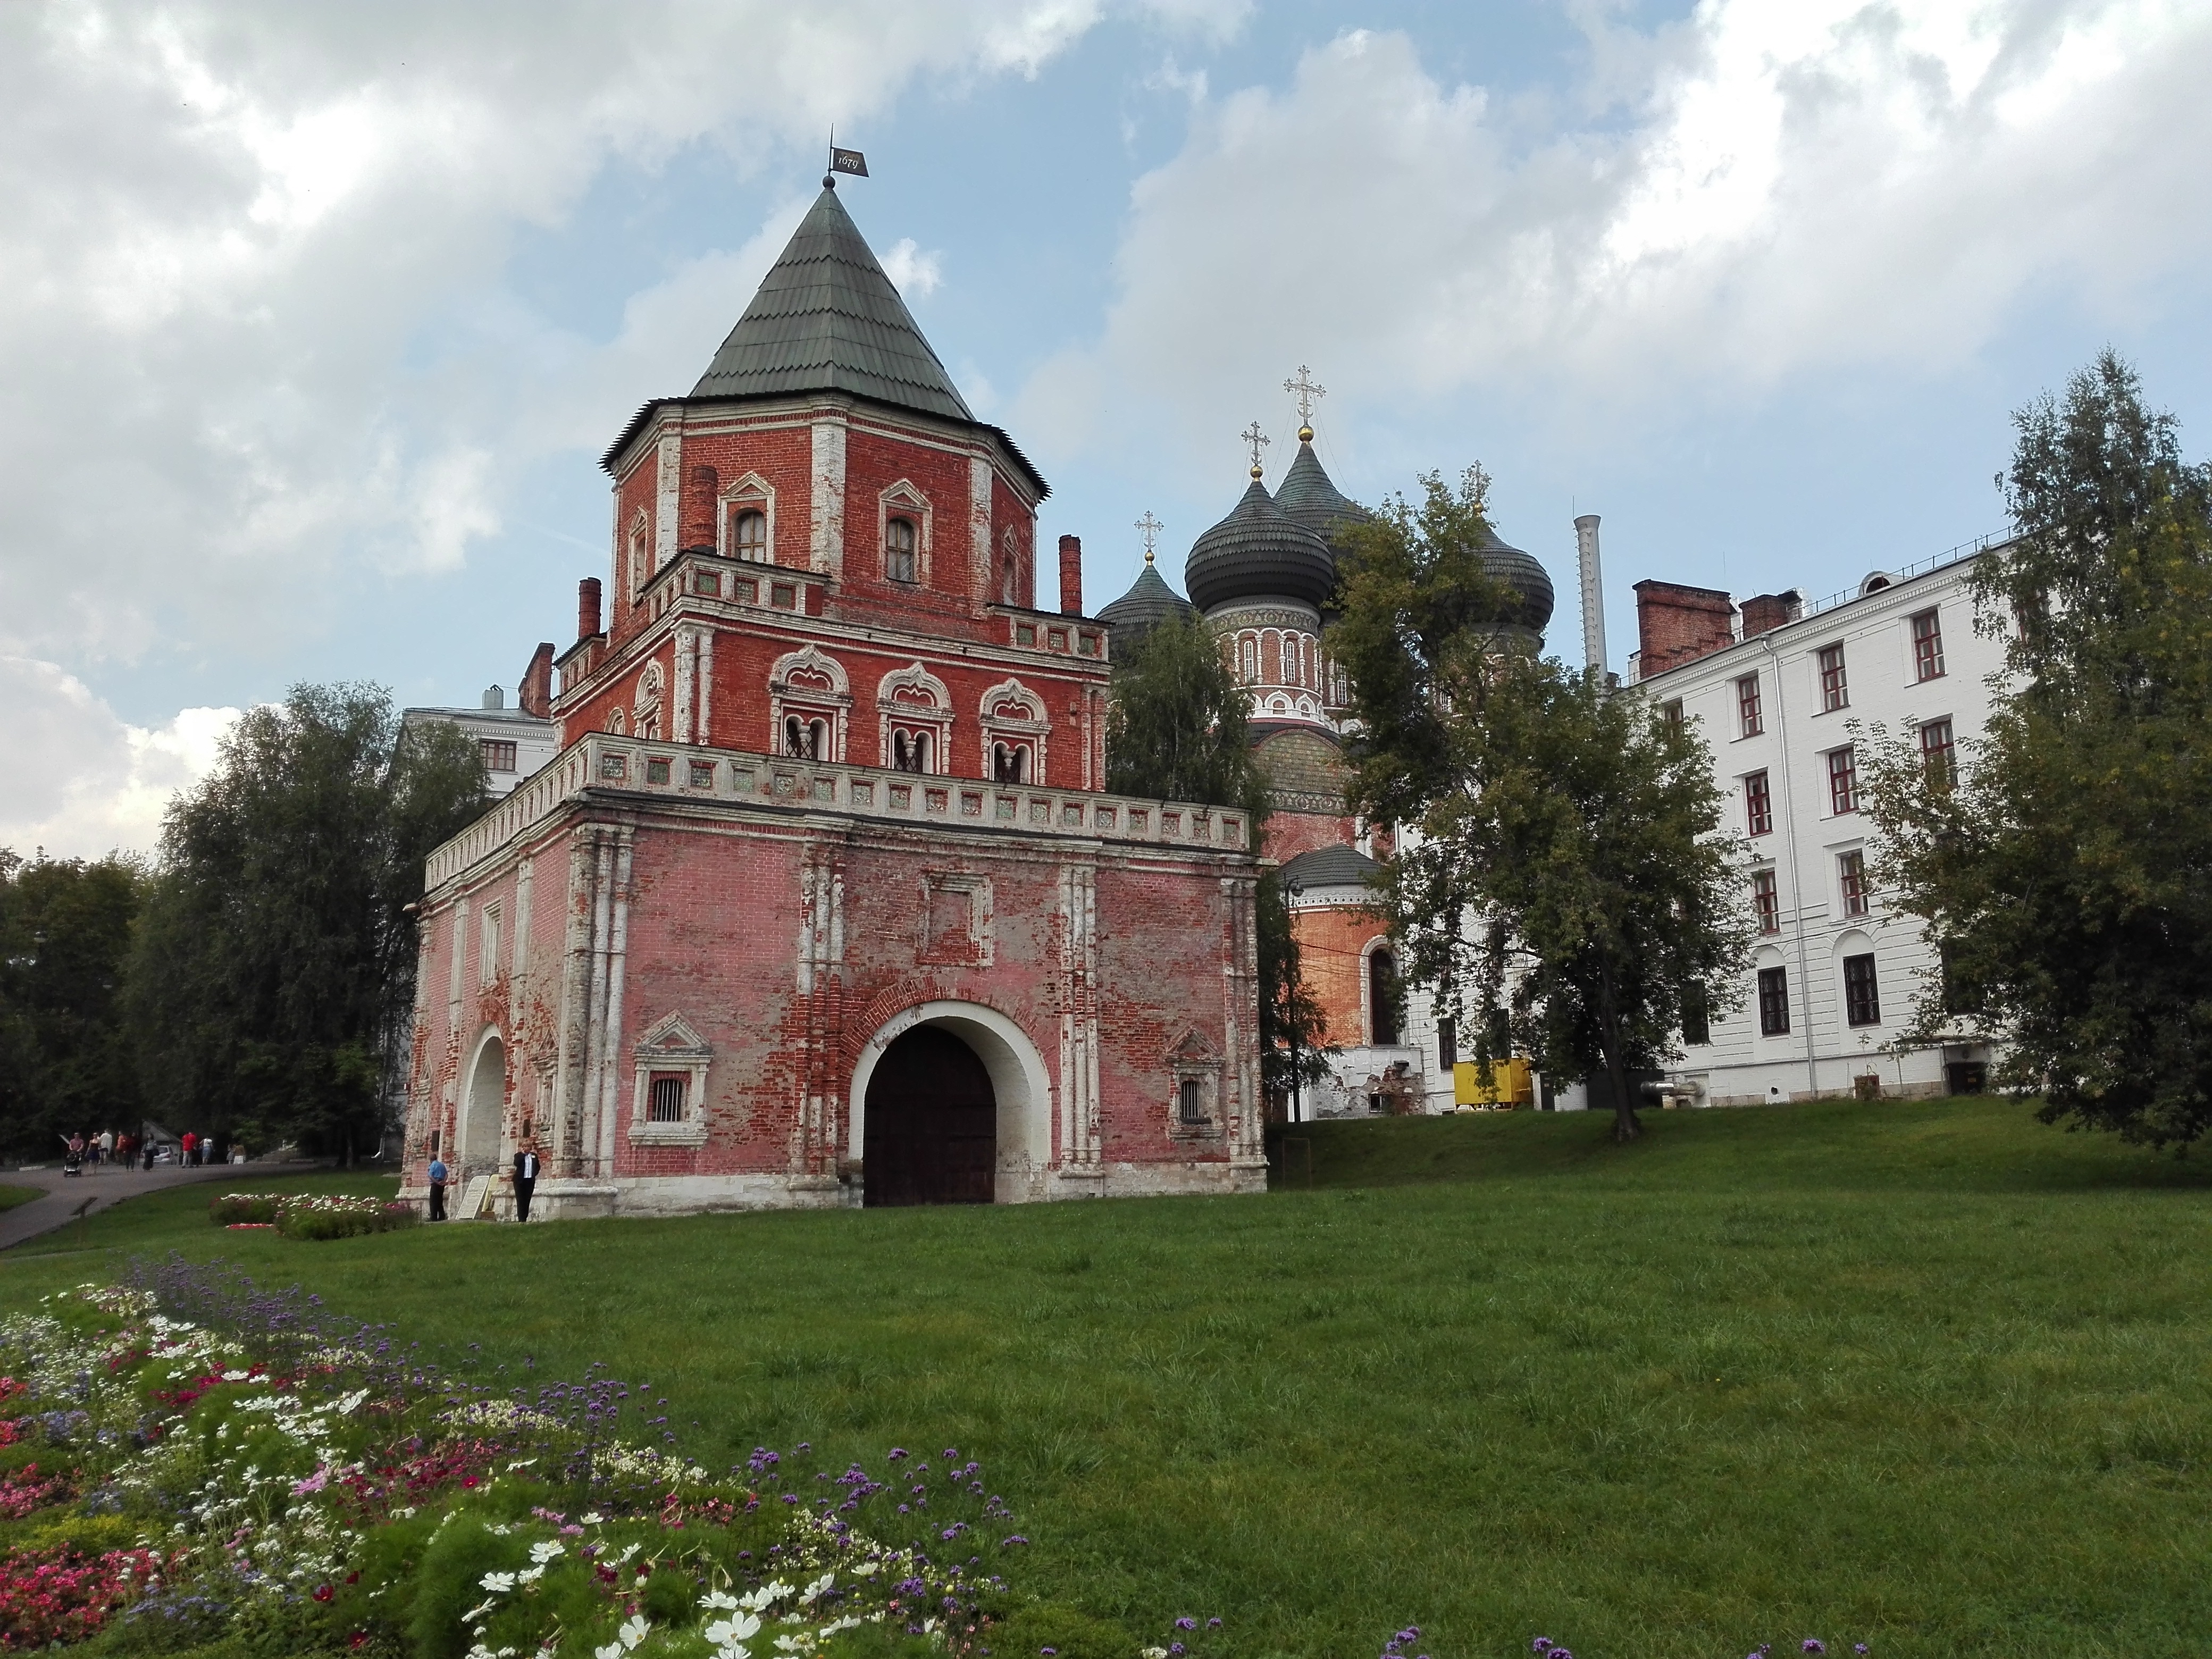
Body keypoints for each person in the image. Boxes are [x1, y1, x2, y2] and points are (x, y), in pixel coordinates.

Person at [512, 1140, 541, 1223]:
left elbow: (538, 1167)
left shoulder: (534, 1156)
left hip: (529, 1180)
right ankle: (521, 1219)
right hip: (520, 1181)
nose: (527, 1148)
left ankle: (525, 1217)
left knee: (527, 1199)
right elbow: (516, 1163)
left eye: (528, 1147)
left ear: (530, 1148)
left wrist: (534, 1174)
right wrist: (523, 1155)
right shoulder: (518, 1156)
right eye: (525, 1146)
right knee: (520, 1199)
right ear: (523, 1147)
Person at [426, 1152, 449, 1221]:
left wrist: (437, 1182)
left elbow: (431, 1176)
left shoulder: (432, 1166)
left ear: (430, 1159)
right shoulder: (442, 1165)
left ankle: (434, 1218)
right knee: (440, 1200)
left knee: (433, 1201)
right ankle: (442, 1216)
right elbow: (446, 1174)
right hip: (442, 1184)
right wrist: (444, 1182)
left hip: (435, 1184)